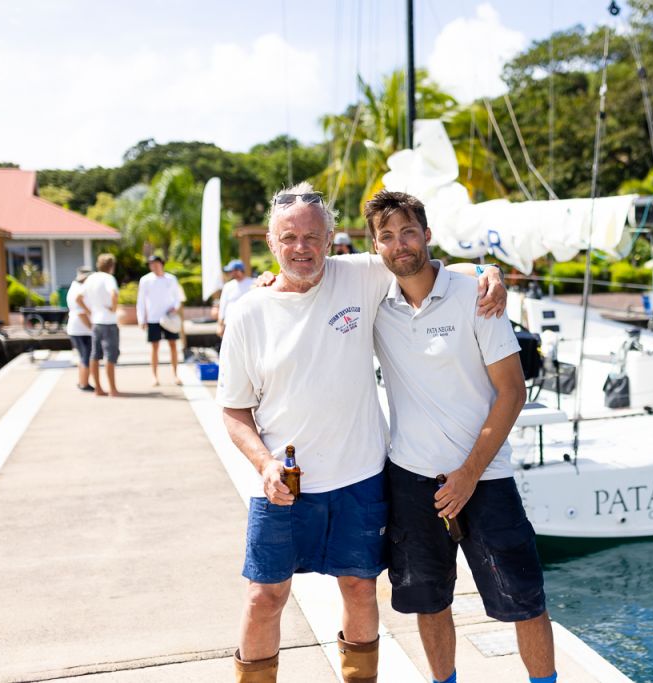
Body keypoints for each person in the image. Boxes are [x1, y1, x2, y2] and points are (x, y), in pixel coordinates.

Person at [216, 183, 505, 683]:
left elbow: (422, 264)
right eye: (289, 238)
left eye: (312, 236)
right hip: (283, 486)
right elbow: (234, 411)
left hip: (360, 477)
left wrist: (489, 273)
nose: (301, 248)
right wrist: (264, 465)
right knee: (264, 596)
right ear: (270, 241)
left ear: (331, 238)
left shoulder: (361, 276)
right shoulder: (247, 313)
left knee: (359, 588)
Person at [366, 190, 557, 683]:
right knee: (429, 601)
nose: (399, 244)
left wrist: (469, 474)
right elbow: (309, 270)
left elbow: (512, 391)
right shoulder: (372, 299)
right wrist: (271, 277)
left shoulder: (474, 293)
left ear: (427, 236)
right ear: (375, 246)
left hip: (485, 475)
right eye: (386, 236)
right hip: (412, 479)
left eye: (408, 231)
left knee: (524, 599)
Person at [137, 255, 184, 386]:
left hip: (169, 318)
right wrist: (141, 318)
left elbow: (177, 297)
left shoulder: (171, 279)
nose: (153, 266)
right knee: (154, 347)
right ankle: (154, 376)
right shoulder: (145, 280)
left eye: (155, 263)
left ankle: (175, 374)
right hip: (153, 318)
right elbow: (141, 301)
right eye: (151, 264)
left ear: (161, 264)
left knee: (173, 345)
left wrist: (176, 308)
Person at [78, 253, 120, 397]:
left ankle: (98, 388)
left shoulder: (91, 278)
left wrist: (90, 311)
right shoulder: (109, 278)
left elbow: (78, 298)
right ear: (111, 266)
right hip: (109, 322)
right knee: (110, 356)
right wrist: (114, 308)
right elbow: (114, 294)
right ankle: (113, 389)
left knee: (94, 355)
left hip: (96, 322)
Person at [65, 265, 94, 392]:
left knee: (83, 356)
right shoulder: (79, 290)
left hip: (76, 328)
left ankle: (82, 381)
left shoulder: (74, 287)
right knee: (85, 357)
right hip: (81, 329)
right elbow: (81, 313)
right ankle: (84, 384)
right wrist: (92, 327)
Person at [216, 258, 255, 338]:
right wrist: (220, 324)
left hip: (248, 323)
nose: (230, 273)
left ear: (239, 271)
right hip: (230, 323)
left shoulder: (253, 283)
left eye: (231, 271)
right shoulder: (228, 286)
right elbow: (223, 306)